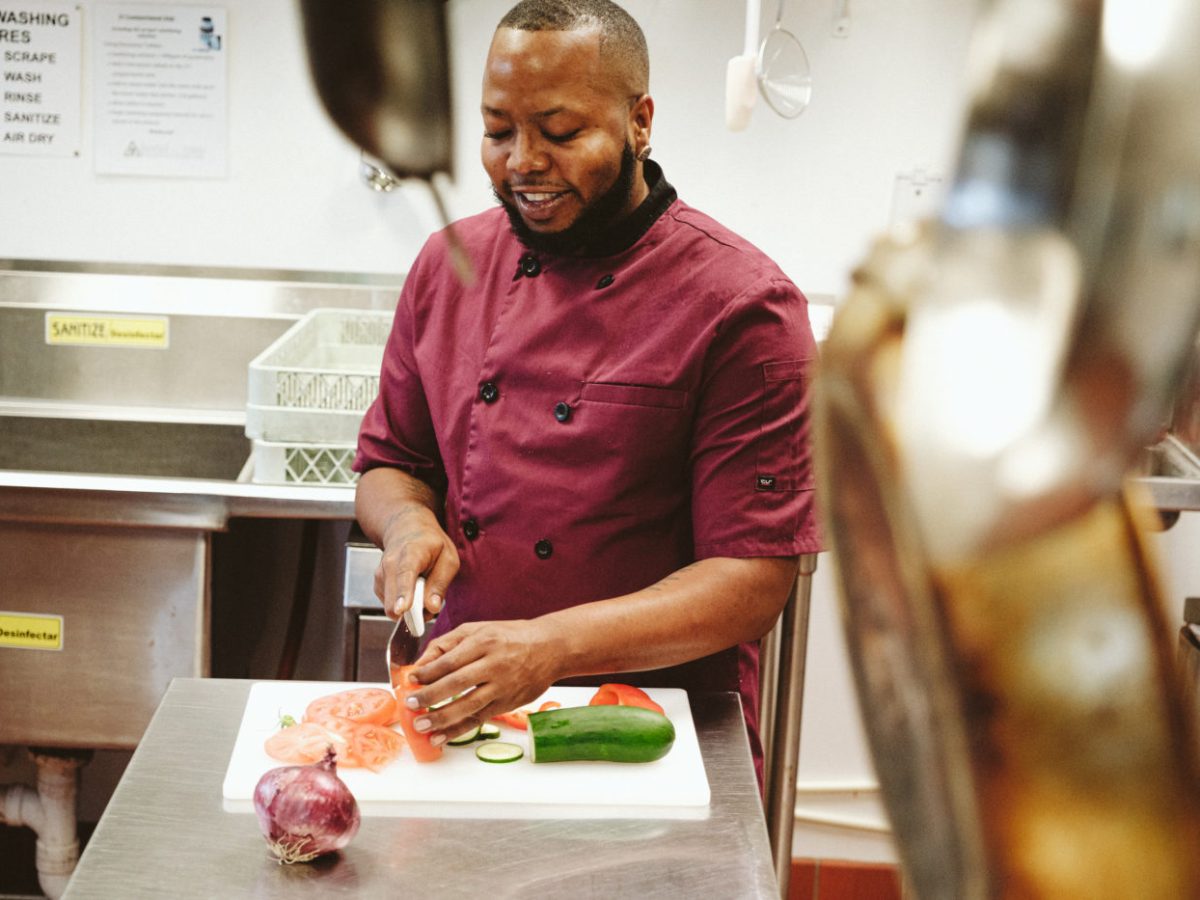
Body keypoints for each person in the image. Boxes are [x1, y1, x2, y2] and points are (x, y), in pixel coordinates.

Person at [353, 0, 819, 782]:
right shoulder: (448, 266)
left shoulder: (744, 307)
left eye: (561, 133)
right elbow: (390, 462)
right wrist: (405, 527)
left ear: (639, 122)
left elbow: (749, 581)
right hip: (464, 714)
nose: (523, 161)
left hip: (653, 735)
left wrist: (550, 646)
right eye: (499, 132)